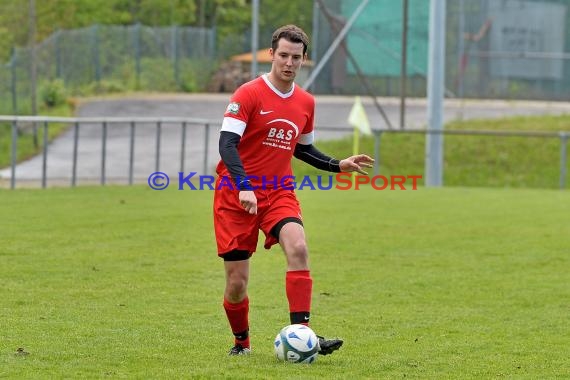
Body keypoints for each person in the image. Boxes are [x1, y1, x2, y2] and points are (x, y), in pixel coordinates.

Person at [213, 24, 374, 356]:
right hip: (235, 195)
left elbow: (303, 149)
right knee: (236, 284)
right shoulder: (248, 93)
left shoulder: (305, 102)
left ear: (304, 60)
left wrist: (337, 164)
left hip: (278, 192)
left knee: (298, 248)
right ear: (272, 55)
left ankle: (304, 334)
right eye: (283, 55)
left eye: (296, 58)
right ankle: (241, 342)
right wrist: (244, 186)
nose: (289, 63)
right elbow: (227, 144)